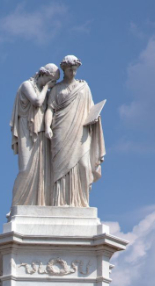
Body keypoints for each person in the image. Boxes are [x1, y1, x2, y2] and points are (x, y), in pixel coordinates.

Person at [45, 55, 105, 207]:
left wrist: (95, 118)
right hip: (61, 128)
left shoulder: (84, 87)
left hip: (81, 129)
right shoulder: (57, 89)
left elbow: (91, 108)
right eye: (70, 69)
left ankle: (80, 202)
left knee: (84, 165)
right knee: (60, 167)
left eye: (75, 69)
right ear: (64, 69)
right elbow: (50, 109)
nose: (73, 72)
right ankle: (59, 202)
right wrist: (46, 127)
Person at [10, 63, 60, 206]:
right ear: (44, 75)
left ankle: (38, 203)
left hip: (41, 133)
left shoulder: (46, 92)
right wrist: (46, 88)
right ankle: (16, 205)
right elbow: (37, 102)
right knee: (25, 169)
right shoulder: (27, 85)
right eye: (52, 80)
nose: (53, 84)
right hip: (26, 129)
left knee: (42, 170)